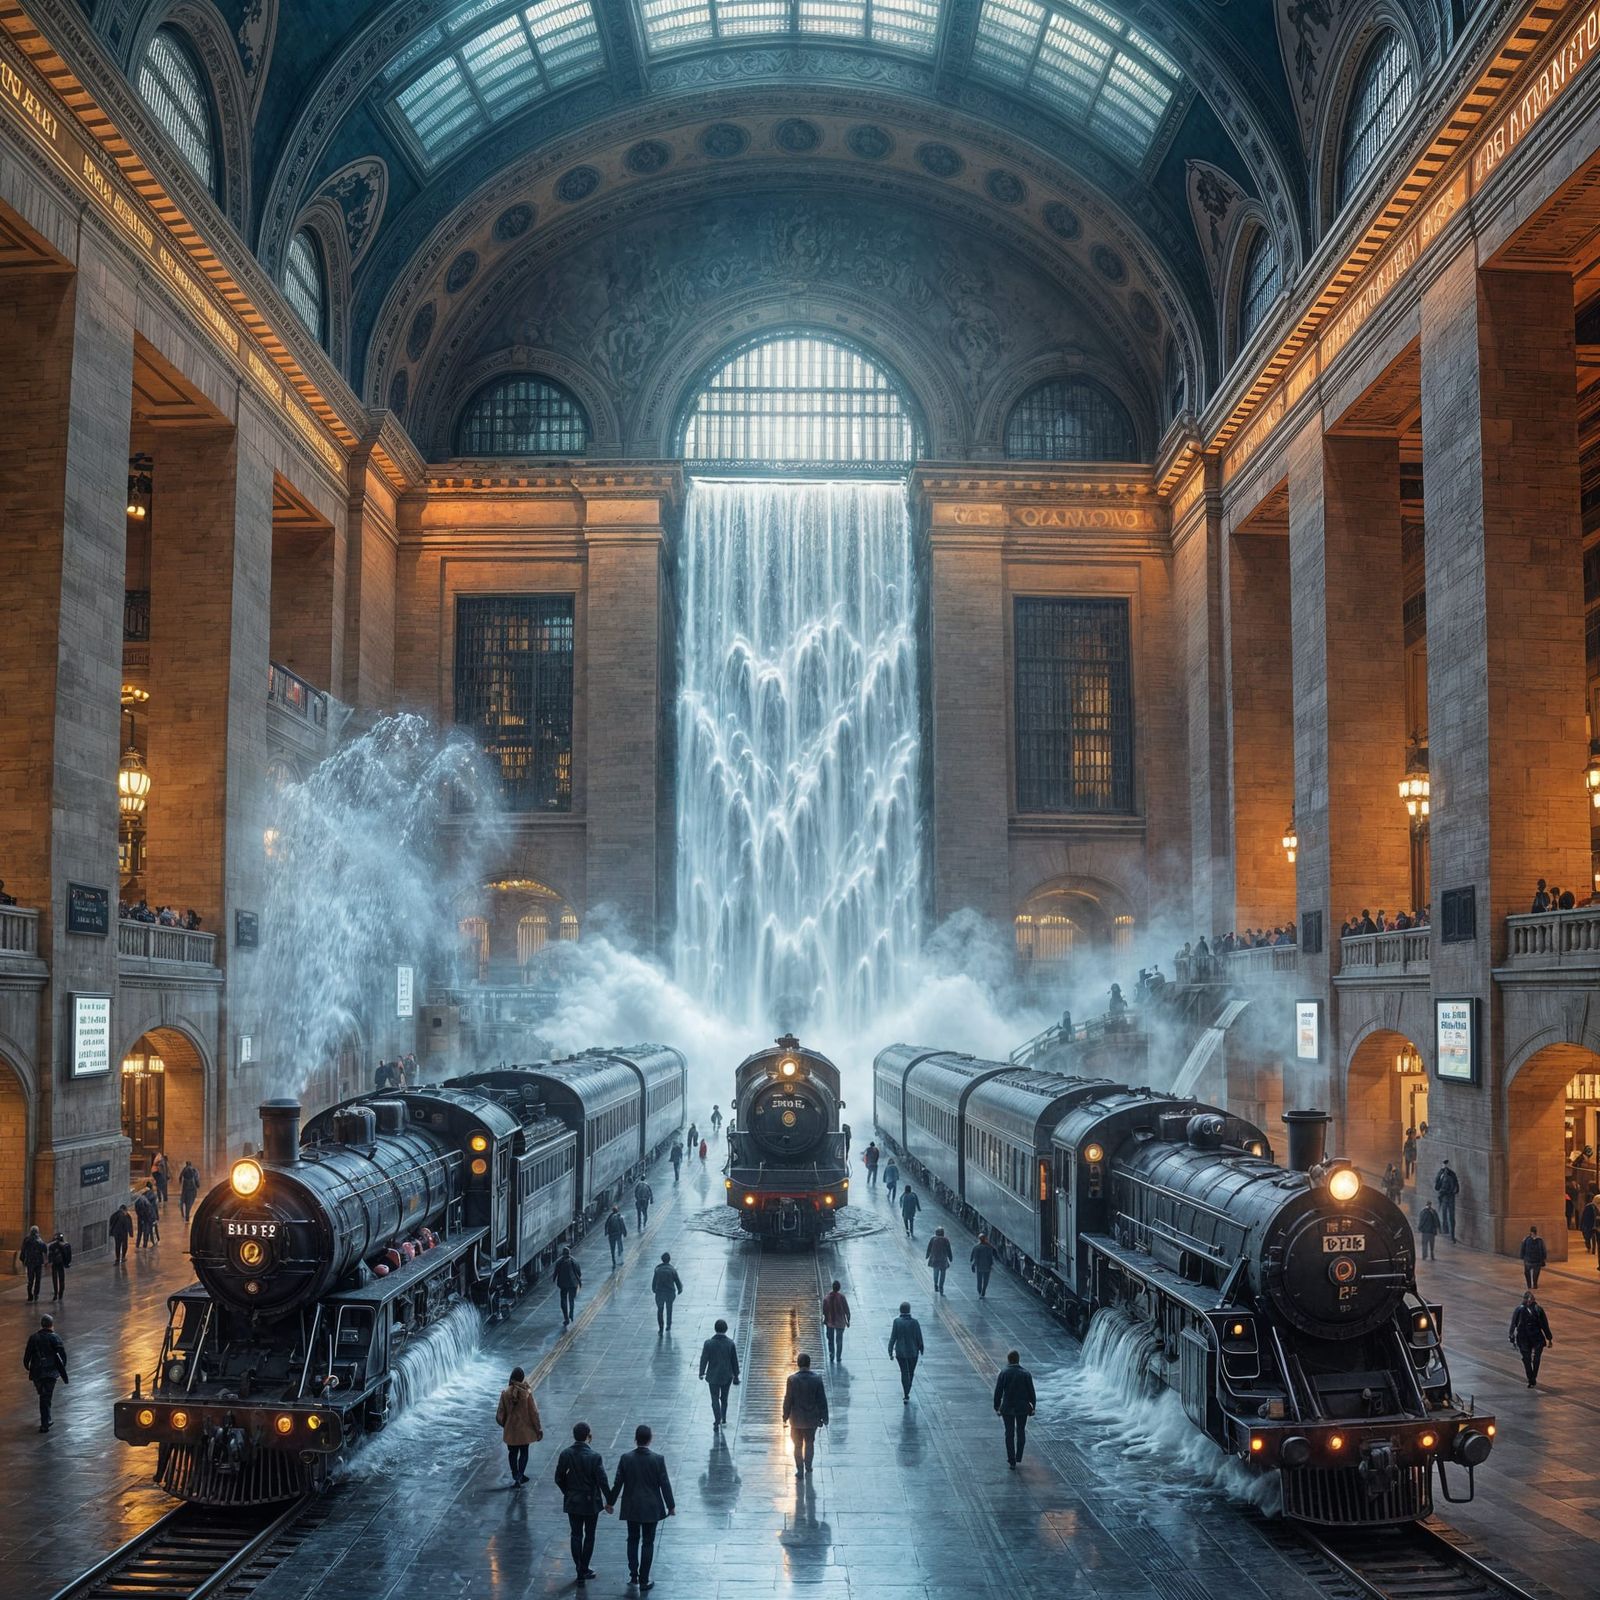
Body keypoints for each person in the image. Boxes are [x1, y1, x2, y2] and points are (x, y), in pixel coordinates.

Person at [607, 1424, 674, 1591]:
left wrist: (610, 1502)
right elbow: (664, 1484)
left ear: (635, 1439)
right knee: (648, 1542)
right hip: (651, 1507)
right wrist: (671, 1505)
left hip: (632, 1506)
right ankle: (644, 1579)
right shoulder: (658, 1459)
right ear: (650, 1439)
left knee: (632, 1539)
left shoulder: (626, 1458)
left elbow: (618, 1483)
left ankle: (633, 1575)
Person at [554, 1421, 610, 1582]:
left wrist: (568, 1492)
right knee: (590, 1535)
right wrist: (610, 1500)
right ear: (588, 1436)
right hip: (591, 1502)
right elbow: (602, 1481)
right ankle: (584, 1567)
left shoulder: (566, 1454)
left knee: (576, 1534)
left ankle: (578, 1568)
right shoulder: (595, 1457)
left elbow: (558, 1477)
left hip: (573, 1500)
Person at [781, 1352, 829, 1475]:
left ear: (798, 1364)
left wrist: (785, 1416)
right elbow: (822, 1400)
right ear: (809, 1364)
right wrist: (824, 1417)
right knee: (809, 1443)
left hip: (796, 1420)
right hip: (812, 1419)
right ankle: (808, 1466)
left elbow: (788, 1399)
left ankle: (799, 1470)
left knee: (797, 1446)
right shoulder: (817, 1379)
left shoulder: (792, 1380)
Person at [495, 1365, 542, 1486]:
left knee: (512, 1453)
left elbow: (500, 1415)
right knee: (524, 1452)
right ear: (522, 1378)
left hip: (511, 1431)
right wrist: (538, 1429)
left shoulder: (505, 1394)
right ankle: (520, 1475)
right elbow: (534, 1413)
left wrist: (506, 1425)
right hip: (524, 1430)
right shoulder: (526, 1393)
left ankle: (515, 1474)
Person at [22, 1313, 68, 1432]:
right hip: (51, 1372)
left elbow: (27, 1355)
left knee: (43, 1395)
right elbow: (62, 1356)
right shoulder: (55, 1338)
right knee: (46, 1397)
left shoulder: (33, 1338)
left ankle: (46, 1420)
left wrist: (27, 1366)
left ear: (41, 1325)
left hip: (37, 1372)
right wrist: (61, 1369)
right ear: (51, 1325)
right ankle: (45, 1423)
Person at [993, 1350, 1037, 1469]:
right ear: (1018, 1359)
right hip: (1022, 1407)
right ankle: (1019, 1456)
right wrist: (1033, 1406)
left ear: (1008, 1360)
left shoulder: (1004, 1373)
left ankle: (1011, 1460)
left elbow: (998, 1391)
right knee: (1021, 1431)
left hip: (1007, 1407)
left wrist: (997, 1407)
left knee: (1009, 1433)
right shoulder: (1026, 1373)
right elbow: (1031, 1391)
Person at [698, 1318, 740, 1429]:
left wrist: (701, 1372)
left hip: (713, 1376)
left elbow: (704, 1359)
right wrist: (736, 1375)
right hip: (727, 1375)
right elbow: (734, 1361)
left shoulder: (708, 1343)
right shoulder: (730, 1344)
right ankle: (723, 1417)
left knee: (714, 1398)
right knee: (724, 1398)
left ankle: (717, 1419)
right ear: (726, 1329)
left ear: (715, 1329)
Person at [1509, 1291, 1553, 1388]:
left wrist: (1511, 1336)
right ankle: (1532, 1378)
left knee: (1529, 1359)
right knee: (1530, 1359)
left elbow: (1513, 1324)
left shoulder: (1524, 1309)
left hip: (1527, 1337)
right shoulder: (1535, 1309)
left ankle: (1532, 1378)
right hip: (1532, 1337)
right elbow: (1544, 1325)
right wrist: (1549, 1338)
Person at [888, 1301, 924, 1402]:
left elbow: (893, 1337)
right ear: (909, 1310)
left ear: (900, 1310)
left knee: (904, 1372)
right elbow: (919, 1337)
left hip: (900, 1352)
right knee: (911, 1372)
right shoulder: (915, 1322)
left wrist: (890, 1351)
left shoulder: (896, 1322)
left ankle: (905, 1394)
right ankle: (908, 1389)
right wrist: (921, 1348)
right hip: (913, 1352)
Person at [652, 1251, 683, 1334]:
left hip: (660, 1293)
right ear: (669, 1259)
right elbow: (677, 1281)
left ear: (662, 1259)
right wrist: (680, 1289)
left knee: (660, 1310)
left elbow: (654, 1282)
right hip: (670, 1293)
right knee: (669, 1309)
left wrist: (654, 1289)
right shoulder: (672, 1270)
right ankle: (668, 1325)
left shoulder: (657, 1269)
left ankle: (661, 1328)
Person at [822, 1280, 850, 1362]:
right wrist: (848, 1321)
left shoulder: (826, 1298)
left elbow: (824, 1312)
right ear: (839, 1288)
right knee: (839, 1340)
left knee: (830, 1340)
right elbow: (847, 1310)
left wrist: (824, 1320)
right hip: (840, 1323)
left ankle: (831, 1354)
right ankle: (838, 1356)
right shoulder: (842, 1298)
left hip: (830, 1322)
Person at [554, 1246, 582, 1326]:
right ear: (569, 1253)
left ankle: (566, 1318)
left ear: (562, 1254)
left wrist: (554, 1279)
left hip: (563, 1284)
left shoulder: (559, 1261)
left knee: (563, 1300)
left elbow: (556, 1272)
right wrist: (578, 1281)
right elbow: (579, 1272)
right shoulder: (574, 1261)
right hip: (572, 1284)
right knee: (571, 1300)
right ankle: (571, 1313)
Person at [1433, 1160, 1459, 1239]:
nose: (1445, 1167)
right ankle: (1446, 1232)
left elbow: (1456, 1188)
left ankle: (1451, 1234)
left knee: (1450, 1216)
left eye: (1445, 1165)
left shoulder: (1452, 1174)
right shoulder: (1441, 1174)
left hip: (1449, 1197)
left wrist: (1451, 1191)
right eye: (1444, 1165)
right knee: (1445, 1215)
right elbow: (1437, 1187)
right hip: (1445, 1197)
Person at [19, 1226, 45, 1302]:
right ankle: (36, 1294)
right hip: (38, 1262)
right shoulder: (39, 1239)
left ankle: (30, 1295)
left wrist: (22, 1259)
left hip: (30, 1262)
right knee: (38, 1279)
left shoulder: (27, 1239)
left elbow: (23, 1250)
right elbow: (44, 1249)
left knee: (30, 1280)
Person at [1519, 1223, 1547, 1290]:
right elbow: (1543, 1250)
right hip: (1537, 1261)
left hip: (1528, 1260)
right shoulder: (1540, 1240)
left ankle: (1529, 1285)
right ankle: (1535, 1285)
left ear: (1531, 1232)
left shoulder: (1526, 1239)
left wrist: (1522, 1256)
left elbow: (1523, 1248)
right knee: (1535, 1274)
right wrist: (1544, 1258)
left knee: (1527, 1273)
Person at [925, 1227, 953, 1293]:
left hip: (935, 1259)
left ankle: (935, 1284)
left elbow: (929, 1248)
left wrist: (927, 1256)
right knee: (943, 1274)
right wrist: (950, 1258)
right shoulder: (946, 1240)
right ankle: (941, 1287)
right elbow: (949, 1250)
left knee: (936, 1273)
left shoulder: (933, 1239)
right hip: (943, 1260)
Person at [970, 1234, 996, 1299]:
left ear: (979, 1239)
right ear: (985, 1239)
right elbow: (991, 1257)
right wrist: (991, 1264)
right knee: (985, 1281)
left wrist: (973, 1265)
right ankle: (983, 1291)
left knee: (979, 1281)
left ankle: (980, 1292)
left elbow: (973, 1257)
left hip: (979, 1267)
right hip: (987, 1267)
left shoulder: (976, 1247)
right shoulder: (989, 1247)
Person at [46, 1232, 71, 1300]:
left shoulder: (52, 1246)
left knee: (55, 1279)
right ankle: (60, 1294)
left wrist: (50, 1261)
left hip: (55, 1264)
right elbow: (68, 1255)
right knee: (61, 1279)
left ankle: (56, 1293)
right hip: (61, 1264)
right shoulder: (66, 1245)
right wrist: (67, 1263)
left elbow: (50, 1255)